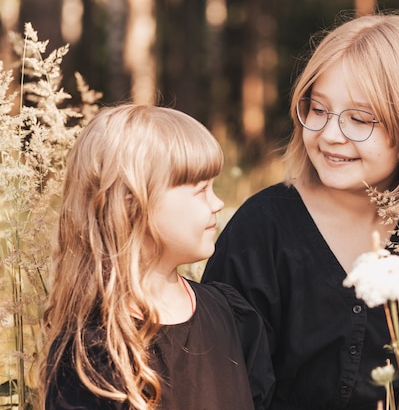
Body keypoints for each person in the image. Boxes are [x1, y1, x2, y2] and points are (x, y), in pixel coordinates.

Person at [202, 12, 399, 410]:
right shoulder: (260, 231)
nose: (331, 135)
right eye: (318, 110)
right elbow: (224, 387)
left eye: (359, 118)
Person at [39, 104, 274, 410]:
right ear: (133, 204)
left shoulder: (231, 313)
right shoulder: (92, 354)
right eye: (201, 189)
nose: (217, 203)